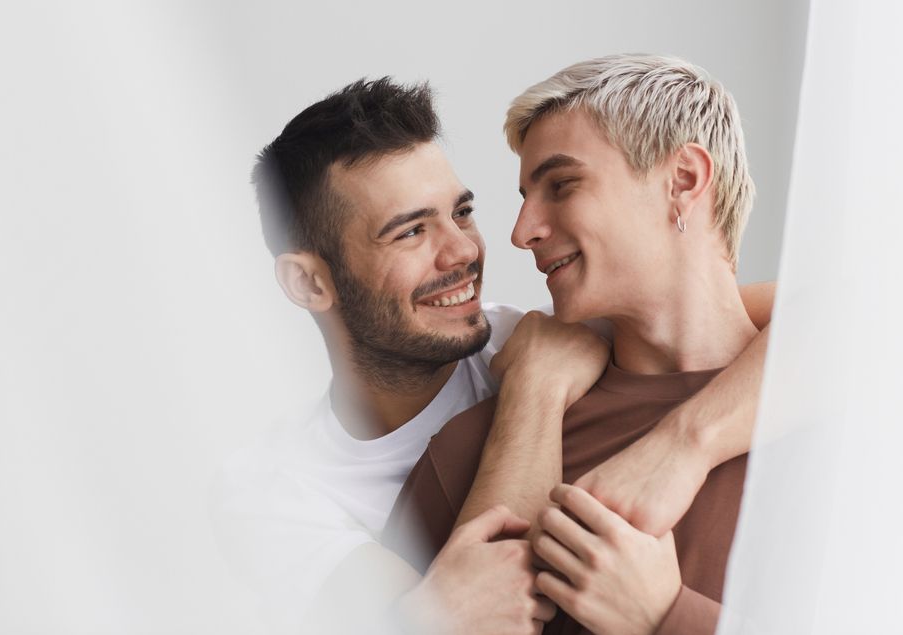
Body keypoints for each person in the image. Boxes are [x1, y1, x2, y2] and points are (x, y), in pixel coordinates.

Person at [211, 76, 773, 634]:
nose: (465, 250)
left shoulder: (554, 335)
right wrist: (536, 389)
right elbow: (476, 617)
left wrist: (683, 446)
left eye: (461, 213)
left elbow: (830, 317)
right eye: (409, 232)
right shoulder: (275, 493)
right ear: (310, 285)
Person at [382, 54, 766, 635]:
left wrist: (667, 618)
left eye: (561, 185)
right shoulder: (467, 453)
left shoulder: (859, 423)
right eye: (525, 195)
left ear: (683, 180)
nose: (520, 232)